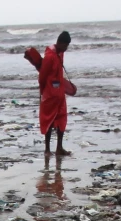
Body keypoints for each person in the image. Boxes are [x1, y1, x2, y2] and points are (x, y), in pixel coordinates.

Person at [38, 31, 72, 159]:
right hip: (50, 94)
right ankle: (47, 149)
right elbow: (42, 75)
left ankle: (59, 148)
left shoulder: (60, 54)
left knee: (62, 119)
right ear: (60, 43)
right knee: (49, 120)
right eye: (66, 45)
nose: (66, 48)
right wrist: (43, 90)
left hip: (60, 93)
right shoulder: (50, 56)